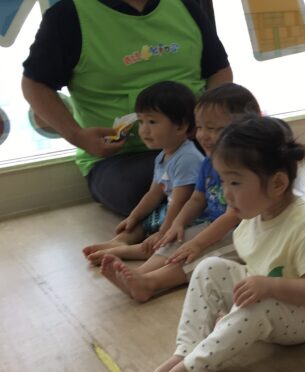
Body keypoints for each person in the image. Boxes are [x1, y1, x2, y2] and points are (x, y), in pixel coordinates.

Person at [144, 115, 305, 372]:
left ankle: (194, 368)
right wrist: (197, 245)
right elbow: (237, 238)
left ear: (277, 184)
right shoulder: (257, 210)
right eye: (223, 181)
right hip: (263, 290)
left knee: (256, 306)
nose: (225, 193)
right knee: (209, 267)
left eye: (234, 182)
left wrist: (270, 287)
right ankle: (186, 351)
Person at [22, 0, 232, 217]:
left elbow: (219, 70)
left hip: (195, 140)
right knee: (150, 188)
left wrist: (209, 123)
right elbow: (35, 85)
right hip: (124, 156)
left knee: (247, 154)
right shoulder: (68, 15)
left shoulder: (185, 5)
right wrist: (77, 135)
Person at [100, 83, 261, 302]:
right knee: (177, 240)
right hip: (213, 224)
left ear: (247, 130)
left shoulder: (246, 169)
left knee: (204, 255)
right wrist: (178, 224)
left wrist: (198, 243)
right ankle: (141, 273)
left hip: (246, 232)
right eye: (201, 127)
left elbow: (233, 215)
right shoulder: (209, 162)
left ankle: (151, 283)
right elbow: (197, 198)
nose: (203, 135)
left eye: (214, 129)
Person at [82, 81, 203, 265]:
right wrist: (134, 216)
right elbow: (154, 193)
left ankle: (125, 251)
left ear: (180, 126)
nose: (144, 130)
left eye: (152, 122)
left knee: (169, 242)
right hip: (171, 210)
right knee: (144, 220)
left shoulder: (188, 157)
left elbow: (181, 201)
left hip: (193, 216)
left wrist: (163, 232)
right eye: (141, 121)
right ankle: (119, 241)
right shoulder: (163, 155)